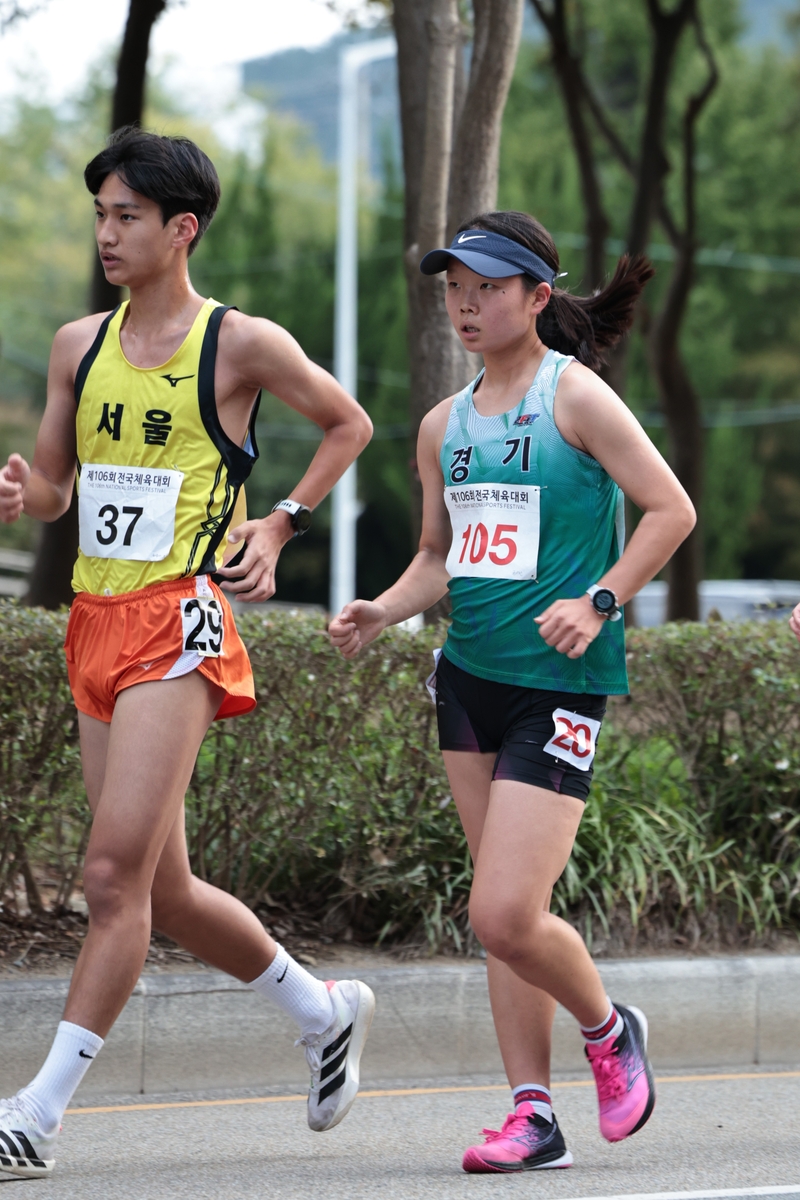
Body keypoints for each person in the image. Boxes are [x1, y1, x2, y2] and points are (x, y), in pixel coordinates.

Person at [0, 127, 375, 1180]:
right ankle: (321, 1009)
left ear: (181, 229)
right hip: (94, 623)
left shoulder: (240, 343)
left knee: (109, 875)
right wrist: (29, 496)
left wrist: (283, 521)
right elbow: (64, 493)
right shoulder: (78, 344)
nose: (107, 234)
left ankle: (36, 1113)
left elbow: (347, 424)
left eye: (126, 217)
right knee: (160, 893)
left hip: (181, 621)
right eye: (100, 216)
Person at [329, 211, 696, 1173]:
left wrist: (602, 600)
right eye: (454, 287)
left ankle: (611, 1031)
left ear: (537, 297)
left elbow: (671, 509)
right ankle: (533, 1115)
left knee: (501, 912)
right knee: (503, 921)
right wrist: (382, 609)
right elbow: (439, 557)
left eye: (486, 287)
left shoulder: (577, 399)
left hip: (557, 688)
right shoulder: (443, 426)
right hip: (468, 682)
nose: (464, 303)